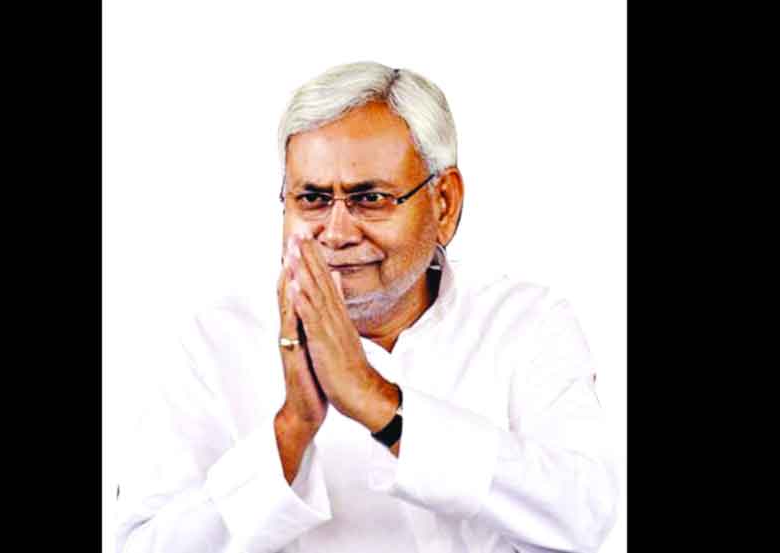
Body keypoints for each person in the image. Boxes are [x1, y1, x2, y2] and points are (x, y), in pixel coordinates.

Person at [115, 61, 619, 553]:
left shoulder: (526, 323)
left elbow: (584, 517)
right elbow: (141, 545)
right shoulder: (216, 341)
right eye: (312, 198)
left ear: (444, 203)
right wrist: (291, 430)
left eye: (370, 198)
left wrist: (379, 403)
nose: (336, 233)